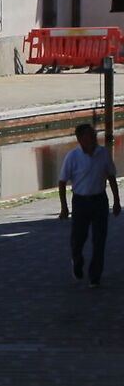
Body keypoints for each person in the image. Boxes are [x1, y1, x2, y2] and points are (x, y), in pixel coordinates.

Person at [58, 121, 121, 285]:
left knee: (99, 239)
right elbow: (62, 181)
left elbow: (111, 176)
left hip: (99, 200)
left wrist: (116, 201)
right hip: (80, 202)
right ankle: (77, 261)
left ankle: (95, 275)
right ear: (80, 139)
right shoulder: (73, 156)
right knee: (78, 238)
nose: (93, 137)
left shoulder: (103, 153)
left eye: (94, 134)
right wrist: (64, 207)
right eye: (89, 135)